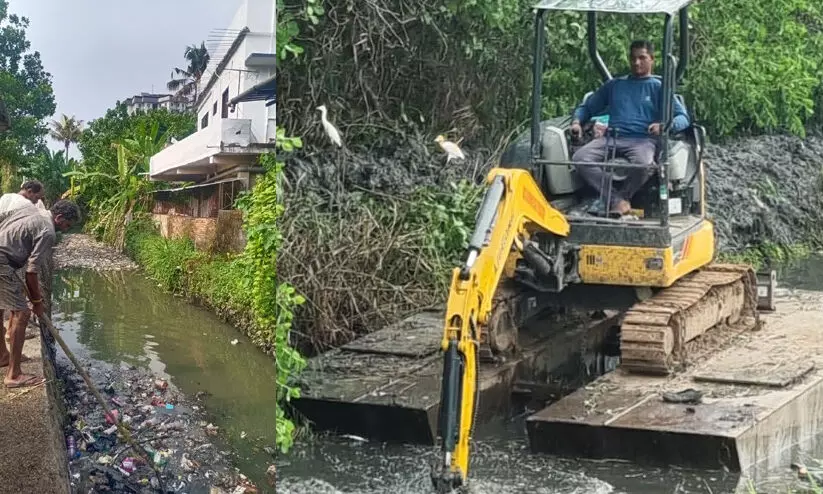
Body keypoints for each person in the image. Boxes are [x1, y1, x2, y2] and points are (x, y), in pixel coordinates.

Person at [570, 39, 691, 217]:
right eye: (633, 58)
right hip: (612, 138)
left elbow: (683, 117)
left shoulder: (659, 88)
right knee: (580, 158)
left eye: (642, 58)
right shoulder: (615, 86)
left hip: (643, 140)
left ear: (652, 59)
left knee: (643, 164)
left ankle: (622, 197)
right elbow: (587, 107)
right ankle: (616, 201)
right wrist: (576, 122)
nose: (636, 63)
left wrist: (665, 126)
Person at [0, 199, 79, 388]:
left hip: (5, 259)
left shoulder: (31, 211)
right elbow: (32, 272)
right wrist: (37, 301)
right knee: (22, 313)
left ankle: (3, 356)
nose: (66, 230)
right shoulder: (48, 231)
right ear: (59, 218)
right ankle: (14, 375)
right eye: (67, 225)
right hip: (3, 263)